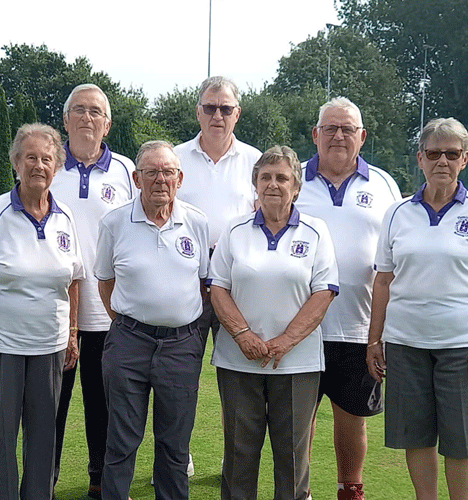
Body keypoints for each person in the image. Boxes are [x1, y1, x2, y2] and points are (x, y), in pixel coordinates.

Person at [366, 118, 468, 500]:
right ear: (420, 158)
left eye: (451, 154)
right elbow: (383, 279)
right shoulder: (398, 213)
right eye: (434, 153)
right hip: (405, 342)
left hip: (464, 345)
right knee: (416, 435)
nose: (442, 161)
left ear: (464, 159)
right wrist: (374, 340)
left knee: (462, 439)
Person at [0, 124, 85, 500]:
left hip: (49, 346)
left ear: (57, 167)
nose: (39, 166)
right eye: (31, 157)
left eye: (47, 159)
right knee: (3, 437)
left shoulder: (65, 219)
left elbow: (74, 279)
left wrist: (72, 333)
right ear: (16, 163)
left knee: (44, 436)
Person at [209, 146, 339, 500]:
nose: (273, 184)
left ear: (296, 187)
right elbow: (217, 286)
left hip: (297, 364)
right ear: (255, 184)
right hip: (238, 361)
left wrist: (285, 341)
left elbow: (324, 292)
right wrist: (241, 333)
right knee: (239, 456)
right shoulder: (234, 229)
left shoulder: (316, 231)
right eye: (265, 177)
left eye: (282, 178)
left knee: (292, 459)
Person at [295, 97, 401, 500]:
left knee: (353, 415)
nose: (338, 136)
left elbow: (395, 255)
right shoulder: (293, 180)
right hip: (300, 326)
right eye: (330, 128)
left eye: (347, 129)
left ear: (362, 136)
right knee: (298, 418)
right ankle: (297, 488)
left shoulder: (384, 185)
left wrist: (383, 331)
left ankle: (349, 488)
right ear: (315, 135)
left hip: (360, 325)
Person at [95, 141, 209, 500]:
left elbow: (203, 283)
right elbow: (105, 281)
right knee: (122, 439)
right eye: (151, 172)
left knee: (175, 444)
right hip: (129, 342)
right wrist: (132, 322)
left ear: (179, 178)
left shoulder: (197, 222)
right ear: (136, 178)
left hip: (181, 345)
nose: (160, 179)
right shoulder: (114, 223)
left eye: (168, 172)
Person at [49, 83, 136, 499]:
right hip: (52, 313)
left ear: (108, 123)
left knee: (104, 405)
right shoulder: (47, 162)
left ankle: (100, 478)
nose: (86, 118)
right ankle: (42, 479)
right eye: (78, 110)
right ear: (65, 120)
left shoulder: (124, 170)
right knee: (50, 405)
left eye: (95, 112)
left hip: (106, 310)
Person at [175, 75, 262, 349]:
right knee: (183, 364)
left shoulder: (255, 160)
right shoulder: (175, 158)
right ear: (197, 111)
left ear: (237, 114)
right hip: (187, 277)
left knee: (238, 365)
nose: (218, 116)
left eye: (226, 109)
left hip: (236, 279)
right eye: (210, 107)